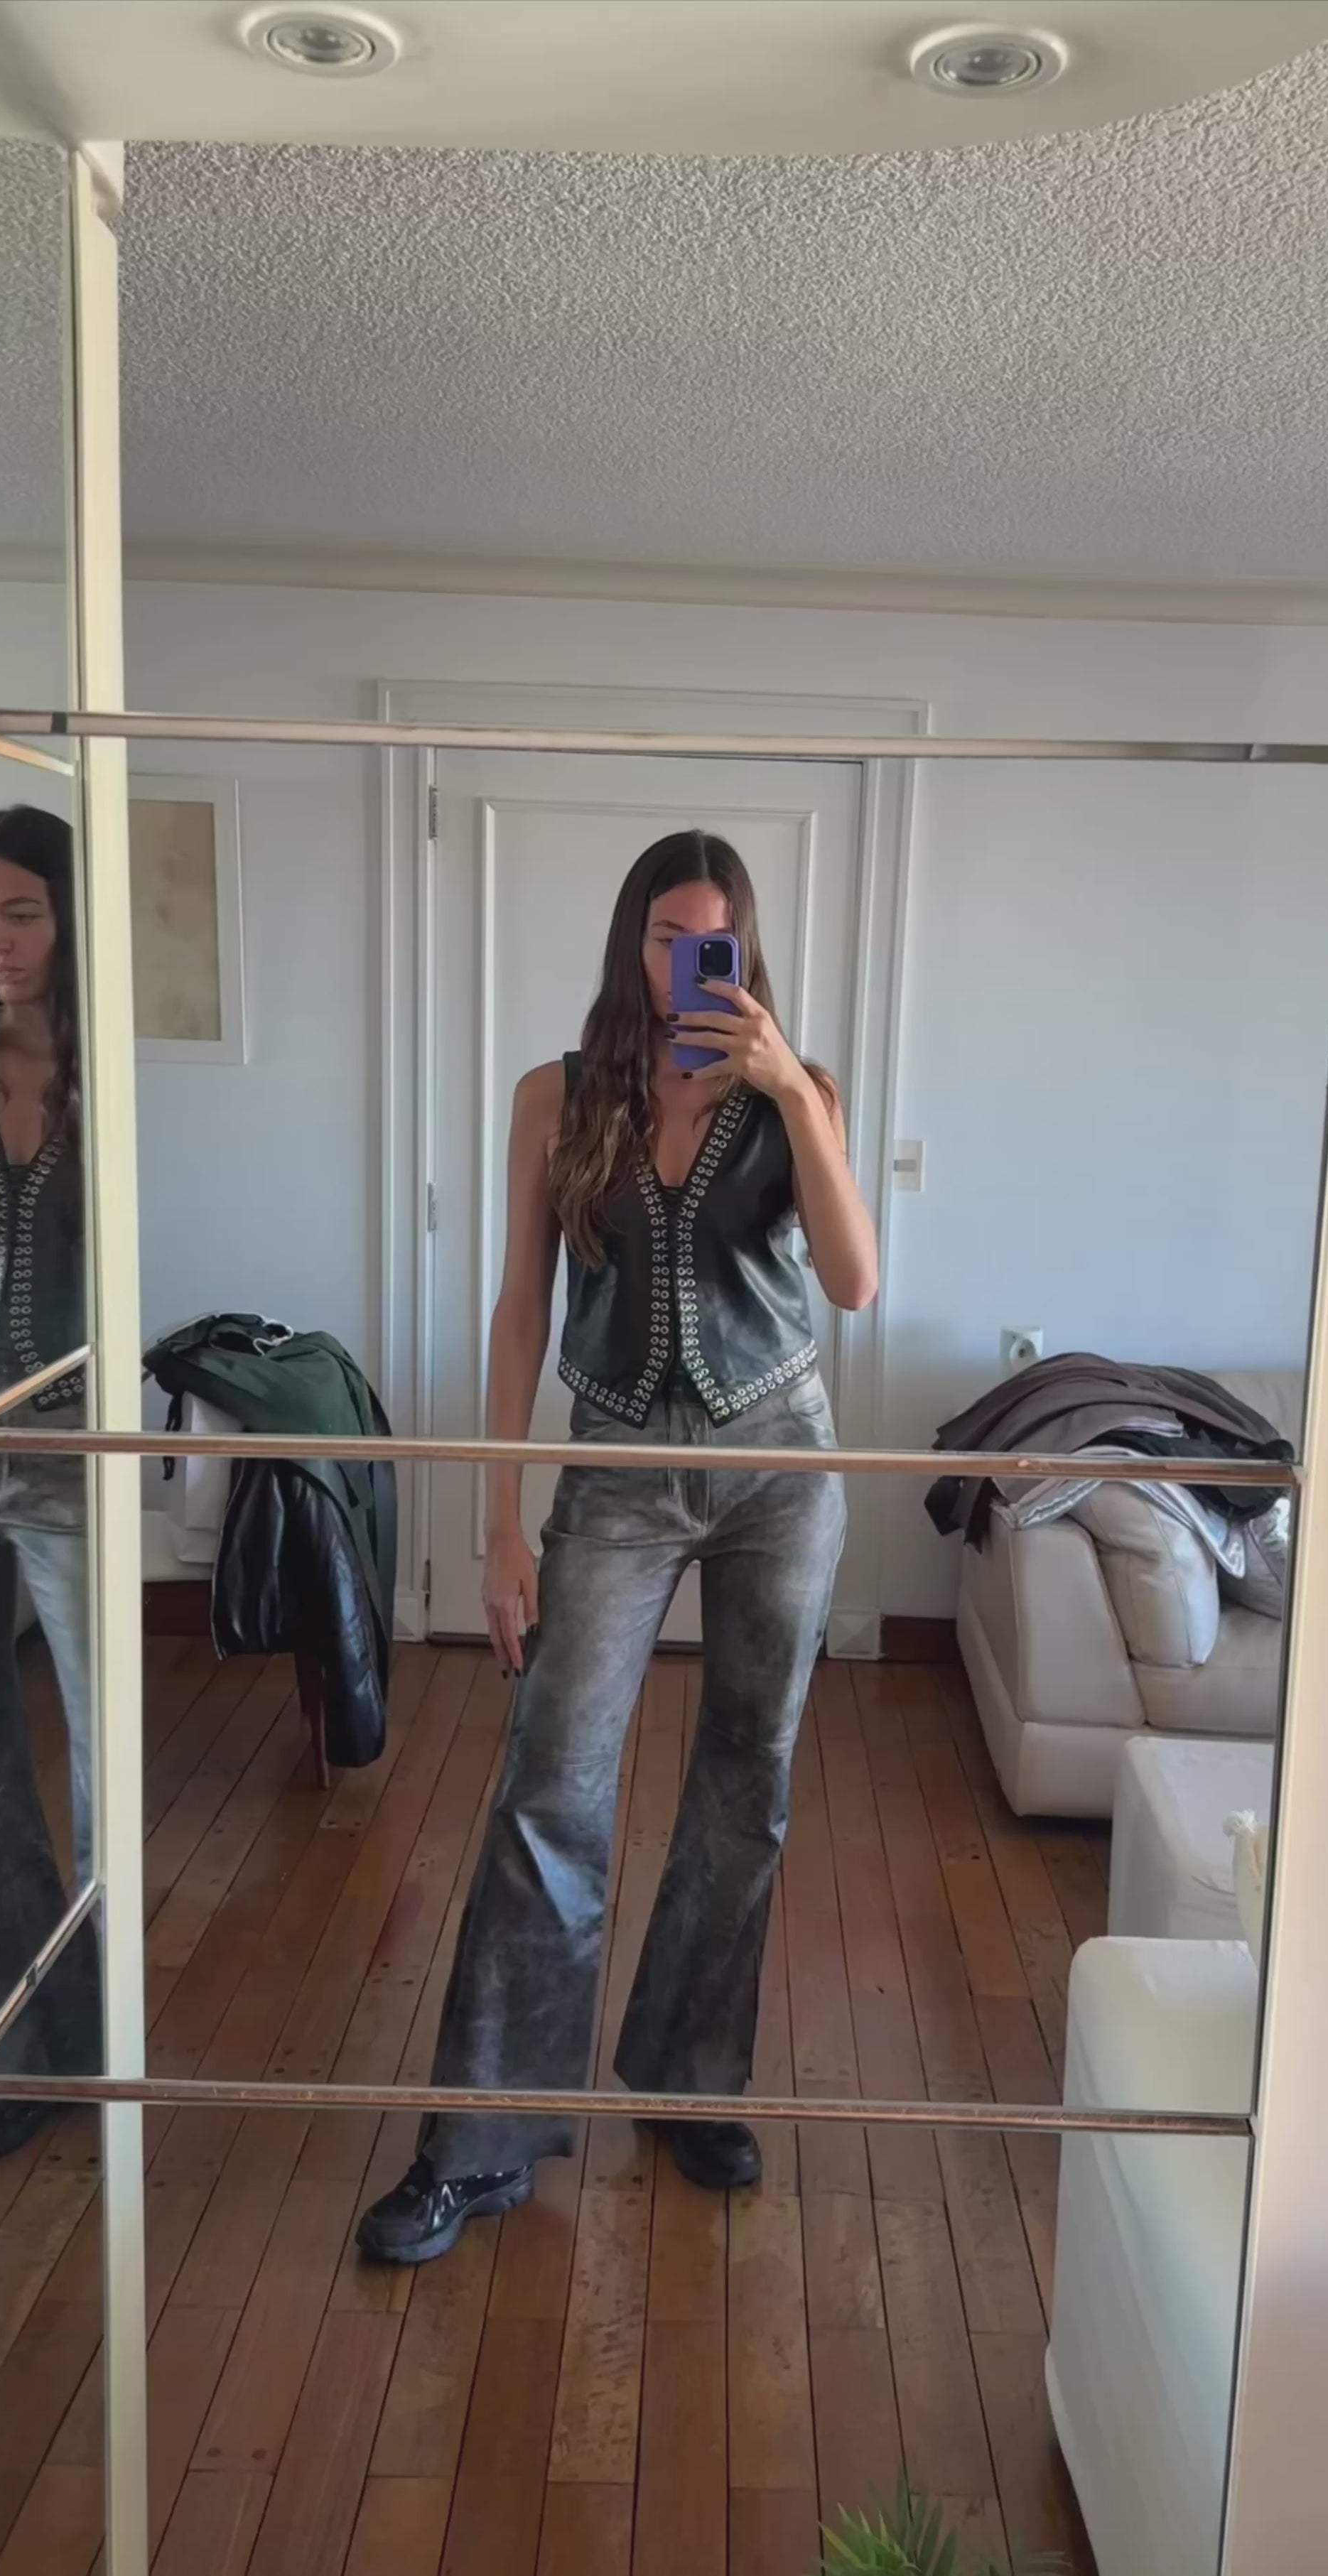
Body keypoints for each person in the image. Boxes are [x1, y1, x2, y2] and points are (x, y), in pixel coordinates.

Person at [358, 828, 878, 2263]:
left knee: (745, 1786)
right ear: (631, 940)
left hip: (781, 1468)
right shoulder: (558, 1095)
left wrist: (793, 1092)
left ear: (744, 946)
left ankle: (689, 2081)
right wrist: (498, 1522)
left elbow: (853, 1281)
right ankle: (478, 2142)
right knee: (551, 1782)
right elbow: (520, 1308)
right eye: (663, 934)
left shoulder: (799, 1092)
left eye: (711, 936)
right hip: (618, 1467)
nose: (684, 961)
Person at [0, 804, 99, 2160]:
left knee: (104, 1752)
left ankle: (109, 2040)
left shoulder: (109, 1076)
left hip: (70, 1452)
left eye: (21, 912)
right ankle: (23, 2042)